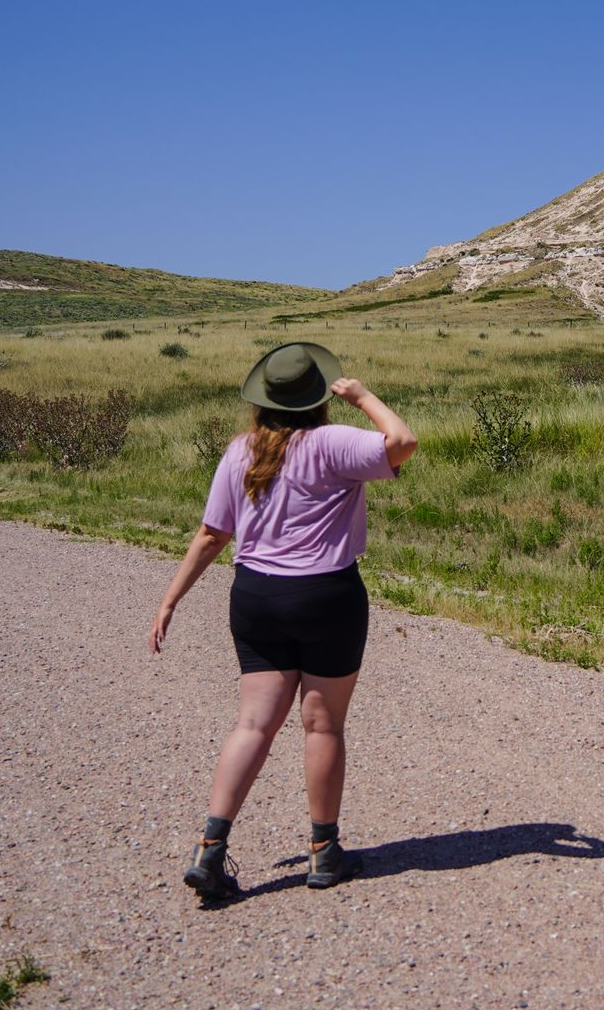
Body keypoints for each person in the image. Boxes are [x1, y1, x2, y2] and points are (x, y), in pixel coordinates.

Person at [149, 342, 417, 898]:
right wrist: (364, 396)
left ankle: (210, 849)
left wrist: (171, 599)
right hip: (326, 597)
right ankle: (323, 854)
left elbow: (211, 536)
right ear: (320, 396)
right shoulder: (334, 443)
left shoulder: (239, 451)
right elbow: (403, 441)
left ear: (263, 399)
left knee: (253, 725)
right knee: (322, 726)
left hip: (256, 598)